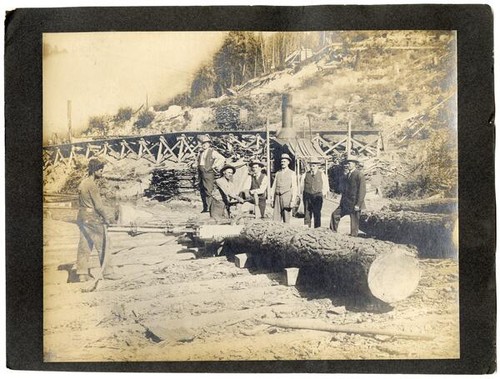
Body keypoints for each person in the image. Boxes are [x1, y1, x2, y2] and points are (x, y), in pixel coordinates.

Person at [76, 158, 121, 283]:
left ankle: (82, 273)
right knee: (104, 244)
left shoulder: (82, 183)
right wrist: (107, 219)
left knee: (84, 245)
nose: (102, 173)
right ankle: (108, 272)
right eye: (100, 170)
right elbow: (99, 206)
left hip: (82, 216)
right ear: (95, 170)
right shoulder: (92, 185)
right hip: (92, 218)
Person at [330, 157, 366, 237]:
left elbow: (362, 191)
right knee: (335, 215)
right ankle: (332, 233)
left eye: (349, 163)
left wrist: (358, 204)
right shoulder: (347, 175)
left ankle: (353, 239)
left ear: (355, 165)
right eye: (347, 163)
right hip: (345, 203)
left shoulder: (359, 175)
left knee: (354, 223)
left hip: (354, 203)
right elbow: (343, 190)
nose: (347, 165)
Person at [197, 134, 225, 213]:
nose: (204, 145)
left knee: (208, 190)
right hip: (201, 173)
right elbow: (198, 162)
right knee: (202, 190)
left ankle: (210, 208)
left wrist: (214, 166)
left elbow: (222, 158)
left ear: (209, 144)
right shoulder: (200, 152)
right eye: (202, 143)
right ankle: (205, 208)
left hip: (208, 173)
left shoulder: (212, 152)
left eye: (206, 143)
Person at [299, 157, 329, 228]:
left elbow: (325, 186)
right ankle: (306, 229)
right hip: (307, 196)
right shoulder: (305, 175)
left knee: (317, 213)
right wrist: (301, 195)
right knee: (307, 213)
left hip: (317, 196)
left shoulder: (322, 174)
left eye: (314, 166)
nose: (312, 167)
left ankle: (317, 229)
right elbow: (301, 186)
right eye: (311, 165)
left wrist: (322, 194)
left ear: (317, 166)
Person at [270, 153, 298, 223]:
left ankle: (286, 232)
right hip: (277, 197)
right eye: (282, 161)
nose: (283, 163)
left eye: (284, 161)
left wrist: (293, 201)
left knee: (286, 218)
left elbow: (294, 188)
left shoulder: (292, 173)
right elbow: (273, 186)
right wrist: (272, 199)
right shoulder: (277, 173)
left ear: (288, 162)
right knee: (276, 219)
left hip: (286, 197)